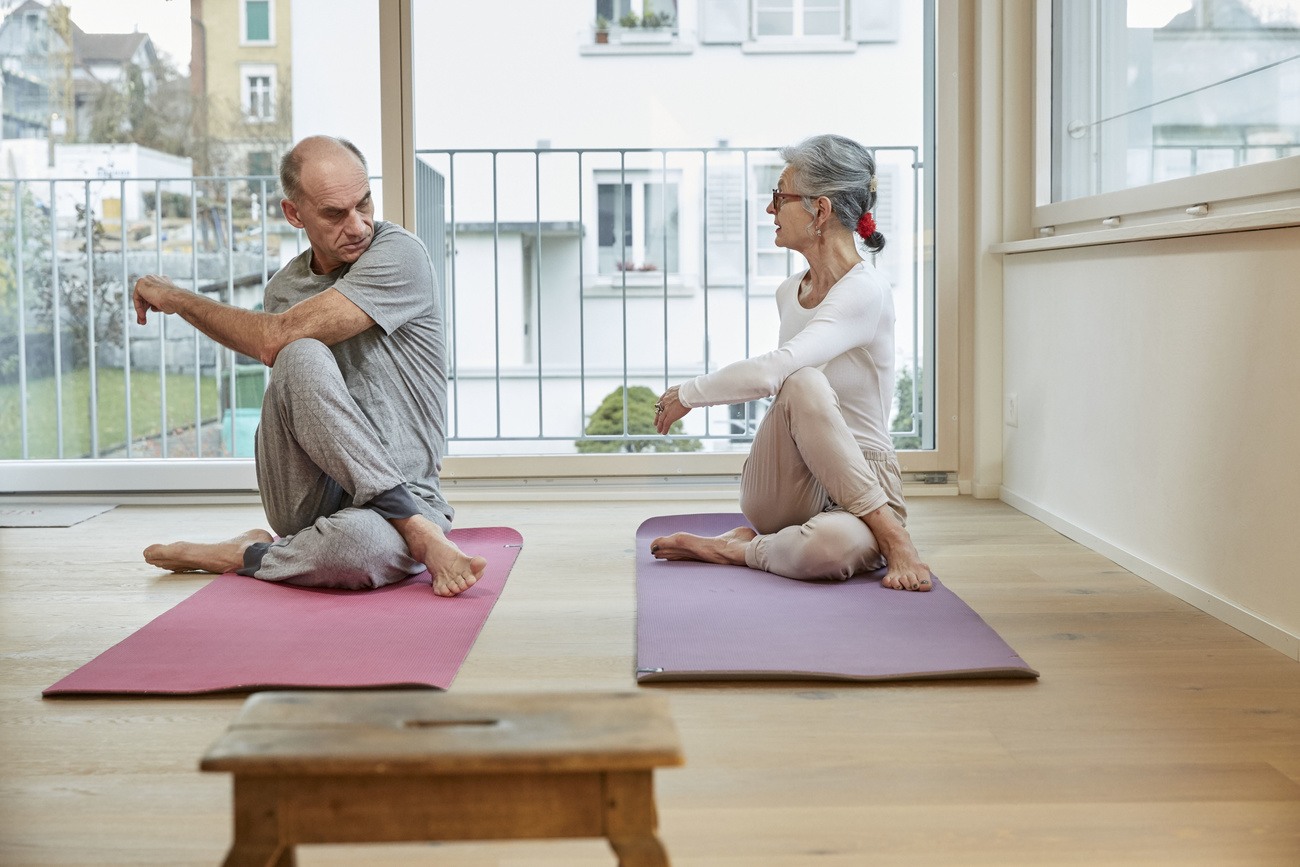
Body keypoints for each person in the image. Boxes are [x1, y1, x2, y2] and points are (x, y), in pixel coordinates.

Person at [133, 136, 486, 596]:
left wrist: (179, 299)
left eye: (364, 203)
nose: (358, 225)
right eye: (335, 214)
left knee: (358, 549)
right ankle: (417, 534)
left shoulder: (400, 254)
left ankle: (246, 554)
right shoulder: (283, 291)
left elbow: (272, 336)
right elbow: (282, 357)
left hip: (409, 489)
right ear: (294, 215)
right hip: (304, 497)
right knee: (298, 352)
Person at [650, 134, 931, 591]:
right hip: (784, 484)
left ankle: (736, 549)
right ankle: (892, 539)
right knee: (801, 382)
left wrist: (686, 394)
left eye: (780, 197)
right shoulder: (789, 292)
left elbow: (771, 371)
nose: (770, 209)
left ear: (819, 211)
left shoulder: (866, 291)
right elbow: (782, 383)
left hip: (863, 483)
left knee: (830, 550)